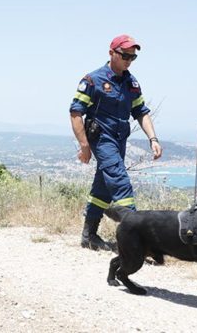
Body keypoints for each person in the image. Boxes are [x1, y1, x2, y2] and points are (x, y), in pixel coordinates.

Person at [69, 34, 163, 251]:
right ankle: (136, 242)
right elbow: (75, 112)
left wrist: (153, 139)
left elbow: (141, 111)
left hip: (119, 140)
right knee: (121, 183)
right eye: (125, 55)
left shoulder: (131, 83)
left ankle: (89, 236)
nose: (128, 60)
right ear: (112, 53)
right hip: (102, 139)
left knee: (102, 189)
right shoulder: (93, 80)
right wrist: (85, 146)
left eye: (133, 57)